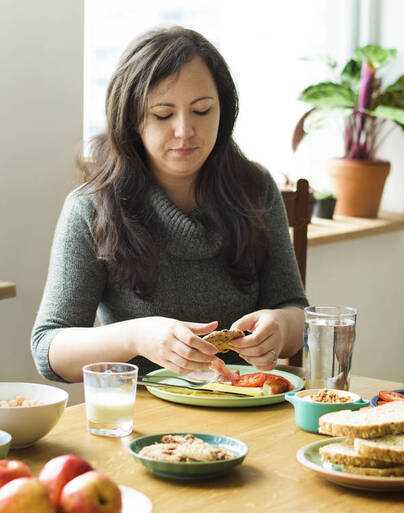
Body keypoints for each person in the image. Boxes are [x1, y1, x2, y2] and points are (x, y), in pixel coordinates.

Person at [31, 26, 307, 383]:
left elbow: (296, 311)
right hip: (142, 421)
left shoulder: (255, 189)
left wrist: (281, 328)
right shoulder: (93, 206)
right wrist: (135, 336)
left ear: (224, 110)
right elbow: (48, 347)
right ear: (131, 119)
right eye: (163, 114)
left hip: (249, 407)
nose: (184, 130)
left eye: (202, 110)